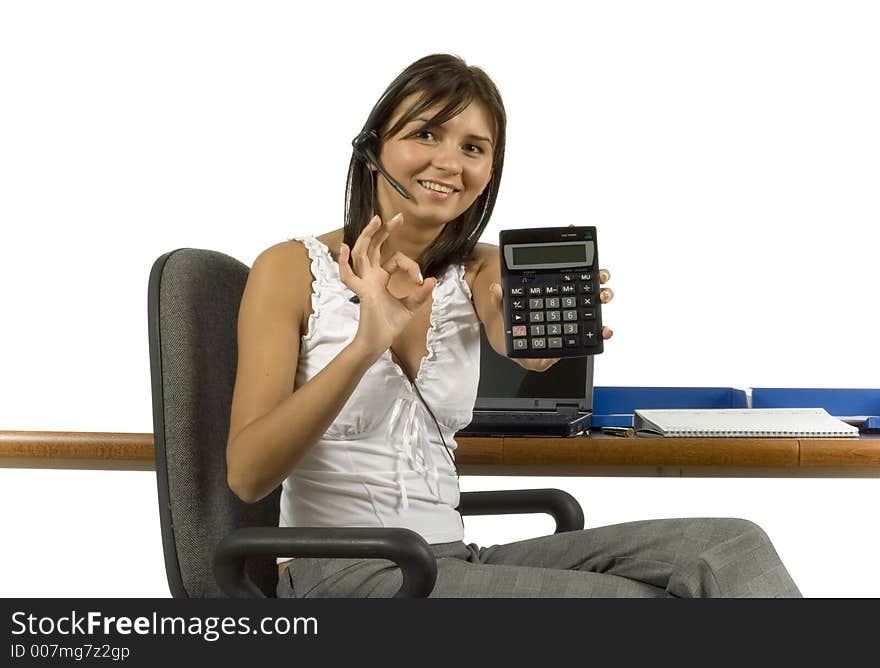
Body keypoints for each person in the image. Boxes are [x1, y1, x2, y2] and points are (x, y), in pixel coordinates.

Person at [225, 54, 802, 598]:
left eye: (473, 147)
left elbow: (516, 337)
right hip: (338, 570)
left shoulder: (479, 267)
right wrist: (363, 346)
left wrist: (539, 344)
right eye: (425, 134)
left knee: (730, 547)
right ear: (374, 146)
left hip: (448, 559)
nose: (450, 162)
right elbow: (248, 476)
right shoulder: (291, 268)